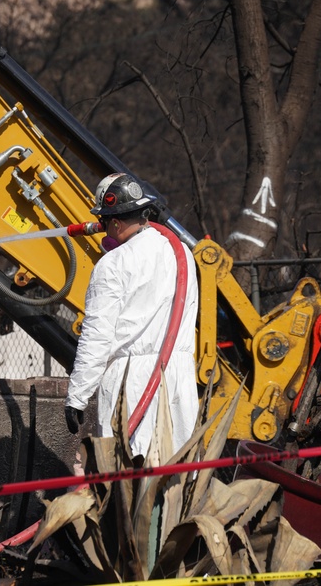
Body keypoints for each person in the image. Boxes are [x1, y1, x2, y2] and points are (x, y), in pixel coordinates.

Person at [64, 173, 199, 462]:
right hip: (179, 378)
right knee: (178, 473)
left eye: (103, 223)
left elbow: (96, 337)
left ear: (114, 222)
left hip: (133, 383)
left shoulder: (113, 264)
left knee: (128, 476)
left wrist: (77, 395)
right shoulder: (182, 254)